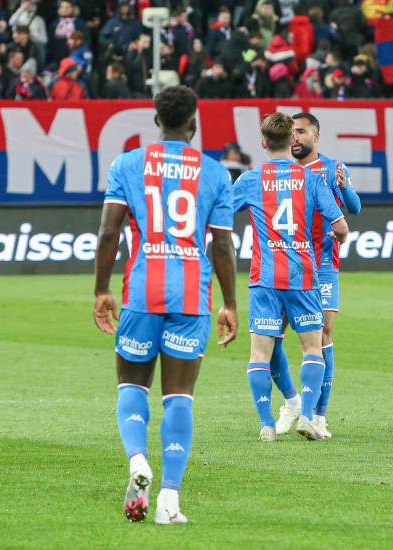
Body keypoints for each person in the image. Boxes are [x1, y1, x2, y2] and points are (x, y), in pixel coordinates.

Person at [92, 85, 238, 524]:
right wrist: (230, 303)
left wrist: (101, 290)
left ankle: (138, 461)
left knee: (132, 388)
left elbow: (108, 234)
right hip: (192, 296)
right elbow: (223, 247)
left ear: (157, 121)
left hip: (141, 292)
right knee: (179, 398)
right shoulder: (215, 174)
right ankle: (169, 502)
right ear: (193, 122)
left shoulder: (128, 164)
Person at [232, 112, 349, 442]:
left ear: (264, 142)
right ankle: (308, 416)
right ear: (291, 141)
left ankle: (266, 423)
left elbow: (222, 214)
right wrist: (334, 238)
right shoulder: (311, 179)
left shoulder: (250, 180)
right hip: (304, 276)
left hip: (265, 277)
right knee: (313, 348)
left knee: (260, 353)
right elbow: (341, 227)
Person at [265, 112, 362, 439]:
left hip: (322, 264)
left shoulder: (332, 168)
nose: (295, 138)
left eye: (302, 132)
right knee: (271, 336)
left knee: (323, 335)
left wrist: (345, 187)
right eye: (291, 132)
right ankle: (291, 401)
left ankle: (318, 414)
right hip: (283, 263)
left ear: (316, 137)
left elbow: (355, 207)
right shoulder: (280, 171)